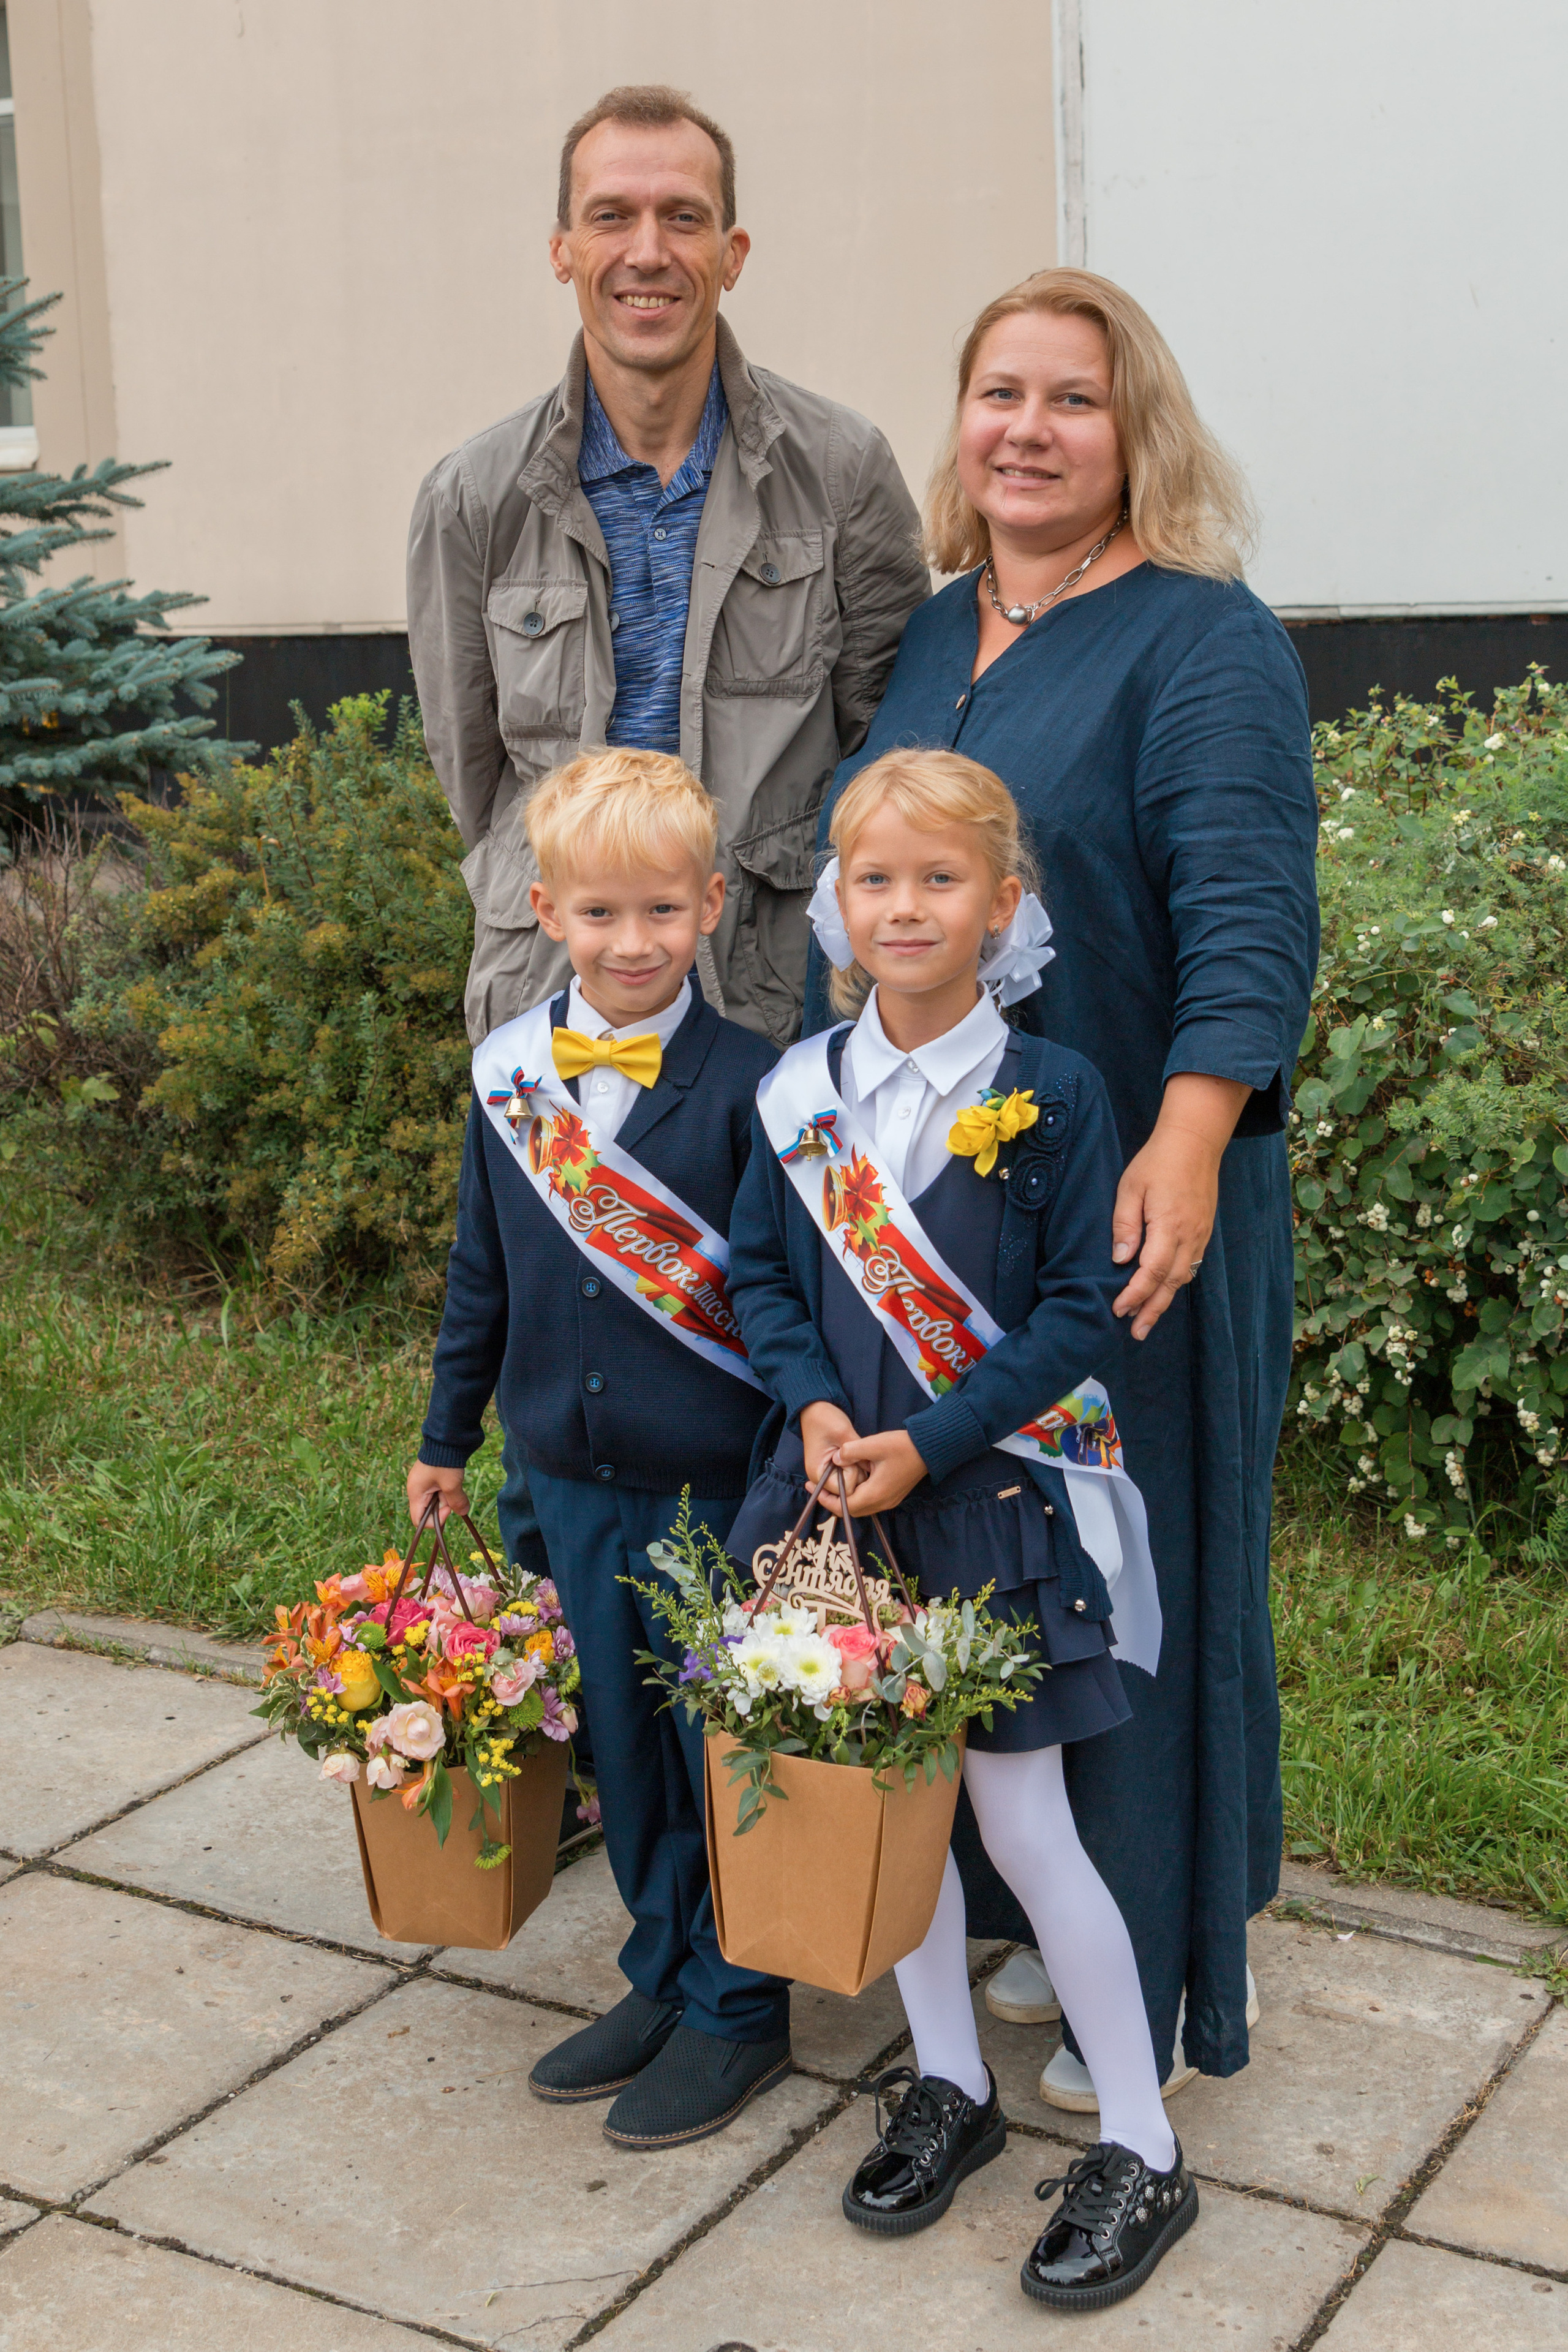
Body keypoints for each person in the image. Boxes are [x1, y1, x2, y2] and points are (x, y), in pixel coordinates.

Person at [807, 268, 1319, 2112]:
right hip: (939, 1222)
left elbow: (1249, 923)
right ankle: (1018, 1911)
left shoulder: (1205, 637)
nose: (1026, 429)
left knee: (1133, 1579)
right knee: (984, 1566)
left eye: (1073, 401)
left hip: (1131, 1218)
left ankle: (1154, 1983)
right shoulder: (943, 635)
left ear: (1138, 434)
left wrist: (1185, 1143)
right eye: (998, 393)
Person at [407, 78, 929, 1582]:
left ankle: (756, 1699)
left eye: (680, 218)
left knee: (773, 1353)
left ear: (733, 249)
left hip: (763, 994)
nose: (648, 249)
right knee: (560, 1363)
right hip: (553, 1002)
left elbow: (878, 748)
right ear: (561, 250)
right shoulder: (474, 493)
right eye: (612, 217)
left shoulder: (834, 473)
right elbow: (475, 774)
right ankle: (564, 1709)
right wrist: (558, 917)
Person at [728, 749, 1196, 2312]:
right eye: (875, 880)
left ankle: (1138, 2139)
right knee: (886, 1805)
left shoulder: (1054, 1092)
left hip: (988, 1506)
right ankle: (952, 2084)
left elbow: (1079, 1314)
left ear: (1005, 906)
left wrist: (921, 1442)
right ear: (834, 910)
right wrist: (808, 1411)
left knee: (1018, 1828)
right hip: (836, 1498)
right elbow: (763, 1279)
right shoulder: (799, 1091)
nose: (904, 907)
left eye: (939, 880)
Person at [406, 748, 793, 2149]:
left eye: (662, 914)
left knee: (717, 1751)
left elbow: (782, 1304)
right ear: (543, 909)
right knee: (618, 1751)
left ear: (713, 905)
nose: (632, 946)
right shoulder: (512, 1079)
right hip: (562, 1479)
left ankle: (740, 2008)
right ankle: (658, 1972)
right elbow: (480, 1272)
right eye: (598, 915)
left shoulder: (760, 1085)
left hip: (712, 1486)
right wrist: (449, 1435)